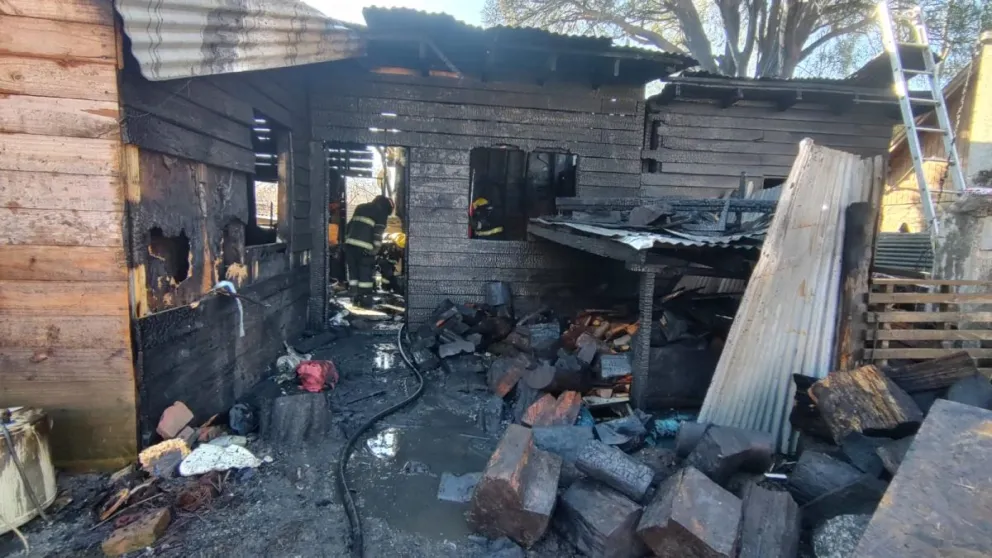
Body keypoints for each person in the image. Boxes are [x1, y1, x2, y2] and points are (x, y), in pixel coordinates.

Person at [345, 195, 393, 307]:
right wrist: (375, 249)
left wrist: (346, 241)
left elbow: (349, 226)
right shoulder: (381, 212)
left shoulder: (360, 207)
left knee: (353, 274)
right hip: (365, 248)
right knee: (365, 274)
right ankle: (365, 302)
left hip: (350, 245)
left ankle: (354, 298)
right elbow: (377, 233)